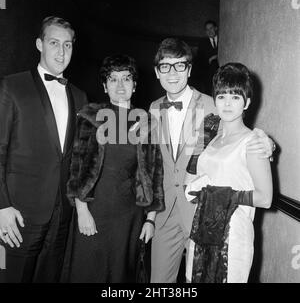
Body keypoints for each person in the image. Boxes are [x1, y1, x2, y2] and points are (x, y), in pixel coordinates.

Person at [149, 38, 274, 283]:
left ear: (190, 69)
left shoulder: (212, 105)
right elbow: (153, 162)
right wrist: (151, 214)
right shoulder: (153, 108)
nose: (172, 73)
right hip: (166, 214)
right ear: (157, 71)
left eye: (180, 66)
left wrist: (268, 145)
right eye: (165, 66)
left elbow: (242, 139)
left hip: (206, 216)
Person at [0, 16, 88, 282]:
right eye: (54, 43)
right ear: (39, 44)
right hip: (19, 214)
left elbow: (78, 158)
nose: (61, 52)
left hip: (62, 213)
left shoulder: (80, 95)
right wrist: (2, 207)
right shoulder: (12, 86)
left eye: (68, 45)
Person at [65, 54, 164, 283]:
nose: (120, 86)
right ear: (104, 86)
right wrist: (81, 211)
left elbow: (154, 174)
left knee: (121, 277)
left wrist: (150, 219)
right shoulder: (90, 117)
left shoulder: (147, 123)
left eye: (126, 79)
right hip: (93, 211)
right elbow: (76, 167)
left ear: (135, 85)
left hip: (128, 218)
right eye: (113, 79)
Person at [184, 62, 273, 283]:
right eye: (222, 96)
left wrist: (221, 196)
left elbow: (265, 198)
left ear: (247, 102)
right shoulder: (211, 133)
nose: (227, 103)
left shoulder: (253, 142)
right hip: (203, 229)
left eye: (235, 97)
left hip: (233, 238)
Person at [193, 20, 219, 95]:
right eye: (207, 30)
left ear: (216, 28)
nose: (209, 31)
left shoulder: (223, 40)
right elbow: (199, 61)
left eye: (211, 28)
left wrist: (217, 56)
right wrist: (209, 60)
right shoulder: (202, 43)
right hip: (208, 76)